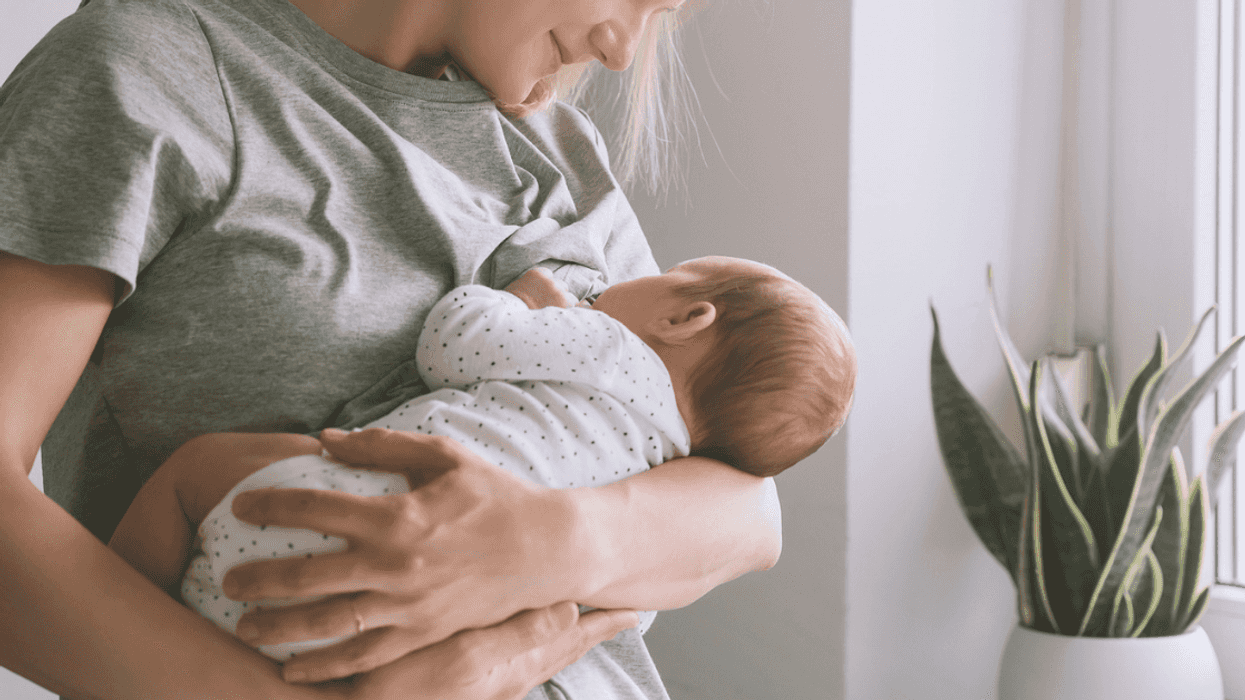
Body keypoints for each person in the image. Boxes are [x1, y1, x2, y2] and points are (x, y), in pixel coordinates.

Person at [0, 0, 789, 698]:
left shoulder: (561, 154)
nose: (623, 52)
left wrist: (539, 543)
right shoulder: (151, 69)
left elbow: (746, 510)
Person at [105, 256, 855, 675]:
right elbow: (627, 601)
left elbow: (456, 347)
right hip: (387, 648)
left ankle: (132, 600)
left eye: (674, 269)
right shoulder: (661, 466)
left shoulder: (602, 343)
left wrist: (523, 298)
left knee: (196, 473)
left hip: (329, 509)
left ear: (685, 318)